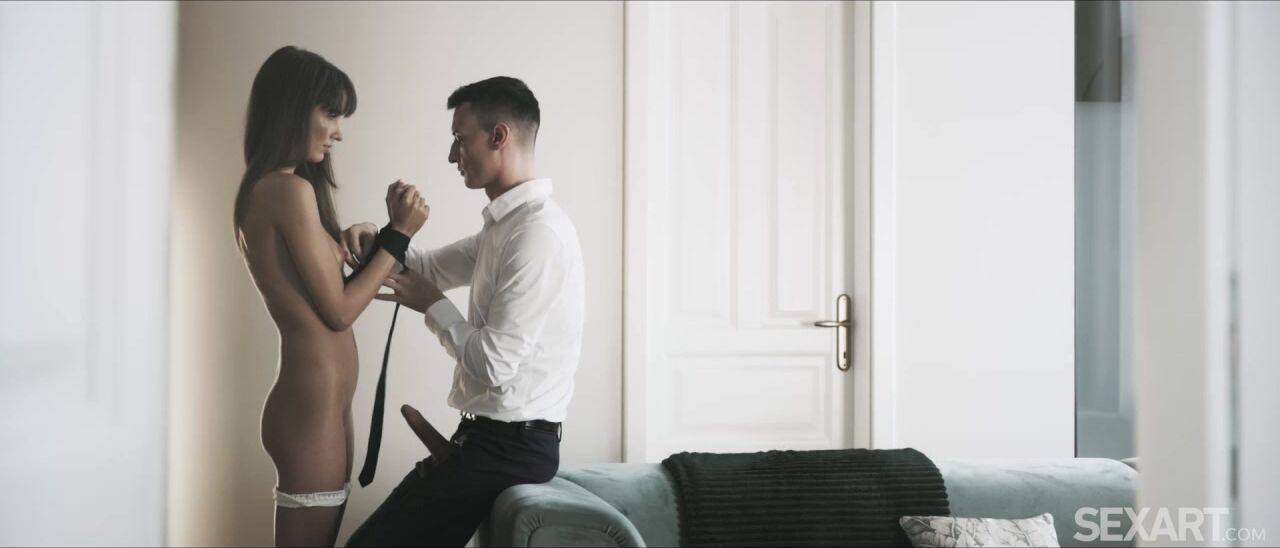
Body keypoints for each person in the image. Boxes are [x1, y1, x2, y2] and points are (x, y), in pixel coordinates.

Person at [340, 76, 585, 546]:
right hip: (487, 440)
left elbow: (493, 364)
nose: (452, 156)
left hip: (511, 449)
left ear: (498, 136)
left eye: (459, 138)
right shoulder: (505, 227)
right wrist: (380, 234)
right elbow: (426, 266)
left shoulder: (537, 235)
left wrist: (430, 303)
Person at [232, 45, 429, 547]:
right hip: (309, 407)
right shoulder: (285, 190)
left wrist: (350, 238)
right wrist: (399, 234)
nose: (338, 132)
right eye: (331, 114)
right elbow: (339, 311)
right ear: (294, 109)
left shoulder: (280, 189)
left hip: (319, 405)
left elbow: (315, 285)